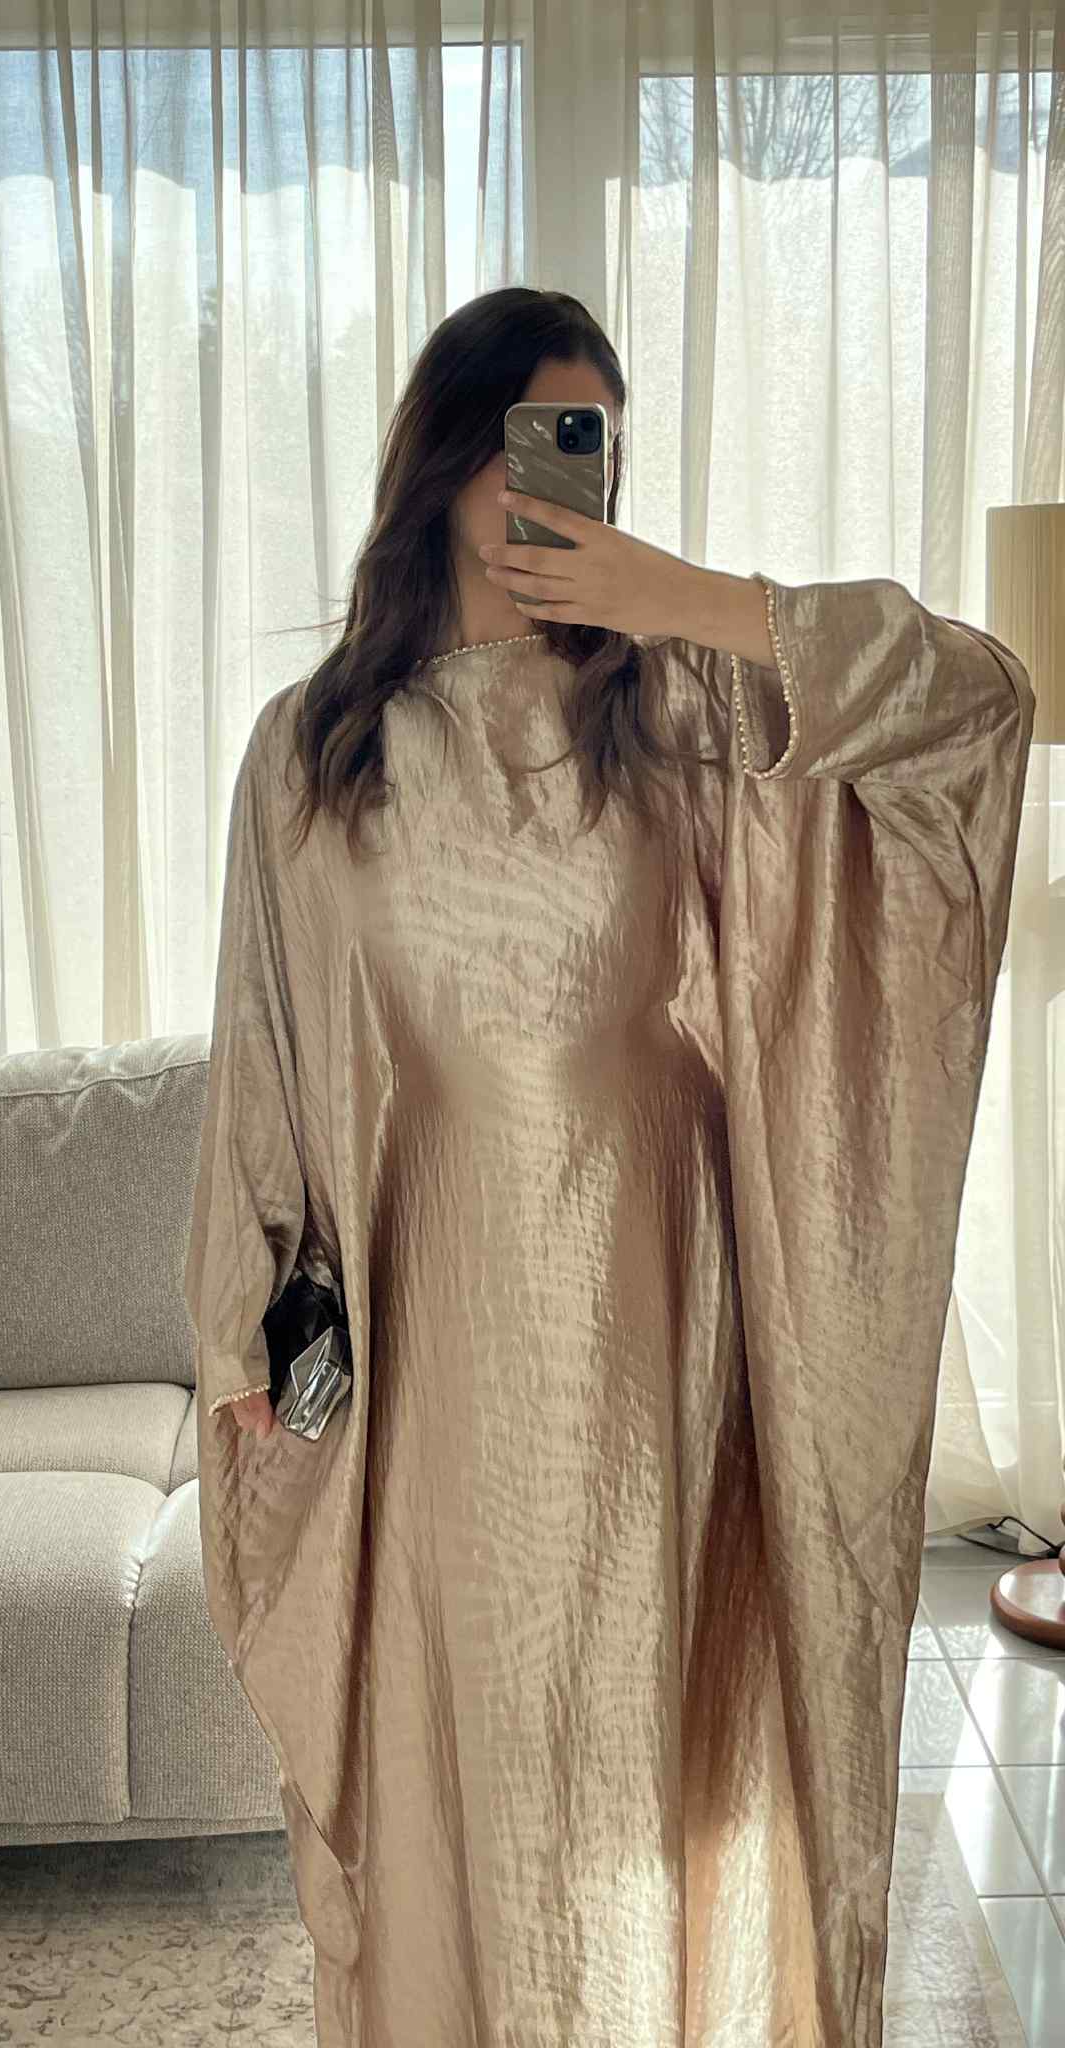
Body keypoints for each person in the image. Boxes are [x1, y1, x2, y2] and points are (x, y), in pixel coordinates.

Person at [182, 286, 1033, 2048]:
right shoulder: (316, 747)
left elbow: (976, 702)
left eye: (598, 451)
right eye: (537, 441)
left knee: (644, 1760)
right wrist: (243, 1322)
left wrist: (691, 597)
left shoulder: (684, 705)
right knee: (461, 1752)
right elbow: (264, 1043)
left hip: (662, 1316)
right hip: (436, 1332)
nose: (566, 481)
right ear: (446, 457)